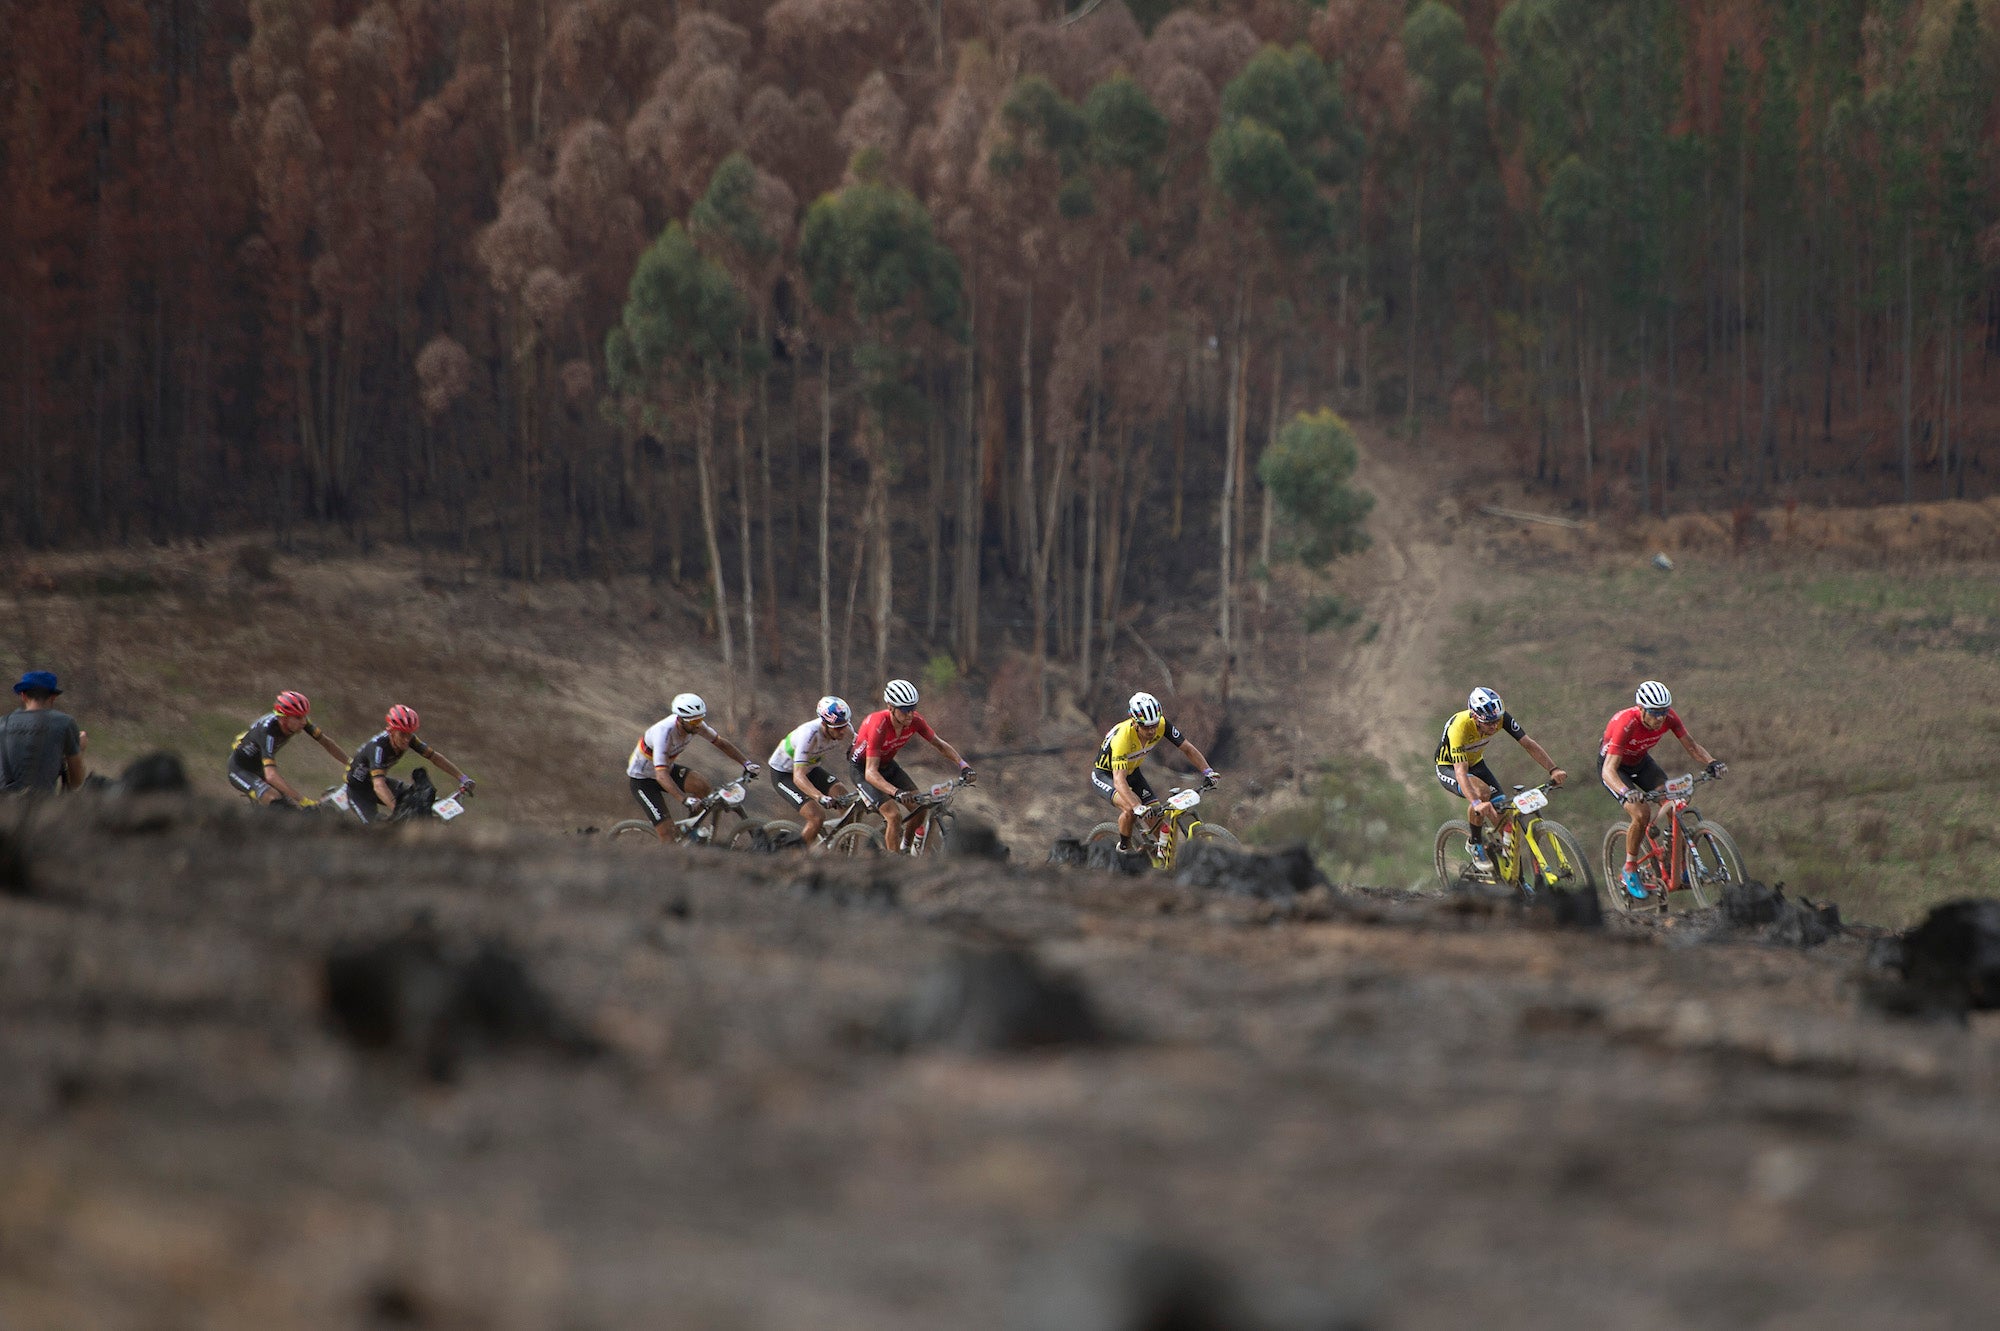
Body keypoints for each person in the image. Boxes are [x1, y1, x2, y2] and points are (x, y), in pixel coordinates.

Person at [1600, 680, 1725, 901]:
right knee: (1641, 813)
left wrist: (1712, 762)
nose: (1660, 718)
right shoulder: (1625, 723)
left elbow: (1693, 747)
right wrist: (1626, 791)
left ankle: (1675, 864)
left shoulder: (1669, 718)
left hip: (1641, 763)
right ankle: (1629, 868)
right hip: (1616, 768)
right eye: (1654, 712)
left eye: (1664, 712)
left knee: (1674, 805)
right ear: (1641, 709)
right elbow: (1608, 770)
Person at [1433, 686, 1567, 872]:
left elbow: (1528, 743)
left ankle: (1515, 879)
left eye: (1496, 722)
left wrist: (1553, 769)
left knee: (1506, 825)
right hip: (1449, 767)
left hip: (1476, 763)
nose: (1495, 726)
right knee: (1482, 793)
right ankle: (1475, 843)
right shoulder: (1459, 728)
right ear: (1474, 717)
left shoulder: (1500, 717)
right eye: (1489, 724)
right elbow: (1461, 773)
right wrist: (1477, 802)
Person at [848, 678, 974, 852]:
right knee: (893, 815)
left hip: (886, 765)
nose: (910, 714)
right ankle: (895, 861)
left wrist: (963, 765)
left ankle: (906, 848)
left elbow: (939, 744)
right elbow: (870, 773)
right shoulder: (878, 725)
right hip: (863, 770)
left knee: (920, 807)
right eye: (905, 709)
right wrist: (896, 792)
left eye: (913, 708)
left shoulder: (915, 721)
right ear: (891, 707)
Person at [1090, 690, 1218, 854]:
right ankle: (1123, 849)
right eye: (1146, 727)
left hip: (1133, 772)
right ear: (1134, 722)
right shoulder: (1123, 738)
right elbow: (1119, 780)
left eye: (1154, 725)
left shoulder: (1162, 725)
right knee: (1130, 809)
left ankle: (1160, 858)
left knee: (1156, 818)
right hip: (1105, 775)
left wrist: (1207, 771)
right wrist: (1137, 806)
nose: (1151, 731)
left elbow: (1187, 749)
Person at [626, 693, 759, 843]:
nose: (698, 725)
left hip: (666, 770)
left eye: (700, 719)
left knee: (702, 786)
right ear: (680, 719)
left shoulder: (695, 726)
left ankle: (690, 831)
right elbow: (661, 776)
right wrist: (684, 800)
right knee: (667, 835)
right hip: (644, 780)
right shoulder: (663, 732)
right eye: (694, 721)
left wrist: (746, 763)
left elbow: (721, 743)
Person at [343, 705, 473, 824]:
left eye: (409, 734)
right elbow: (379, 785)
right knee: (378, 829)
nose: (406, 739)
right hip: (358, 791)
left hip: (377, 782)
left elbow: (434, 757)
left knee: (422, 799)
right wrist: (397, 809)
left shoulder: (410, 739)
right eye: (402, 734)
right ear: (391, 731)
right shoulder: (379, 748)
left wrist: (462, 778)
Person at [227, 691, 349, 807]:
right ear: (283, 718)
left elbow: (327, 743)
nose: (303, 722)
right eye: (298, 717)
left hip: (260, 768)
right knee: (277, 802)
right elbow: (271, 776)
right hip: (240, 770)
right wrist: (303, 800)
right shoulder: (268, 732)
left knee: (293, 807)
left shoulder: (299, 721)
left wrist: (350, 764)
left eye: (304, 716)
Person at [770, 695, 855, 847]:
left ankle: (843, 848)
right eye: (838, 728)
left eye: (845, 725)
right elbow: (798, 777)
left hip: (810, 768)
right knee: (816, 816)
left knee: (844, 797)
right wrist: (820, 797)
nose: (843, 731)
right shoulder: (808, 735)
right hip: (785, 774)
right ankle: (797, 856)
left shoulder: (845, 728)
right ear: (824, 723)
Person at [0, 670, 85, 796]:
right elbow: (75, 783)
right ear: (53, 697)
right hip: (41, 810)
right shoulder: (64, 723)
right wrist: (80, 749)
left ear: (23, 696)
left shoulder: (2, 723)